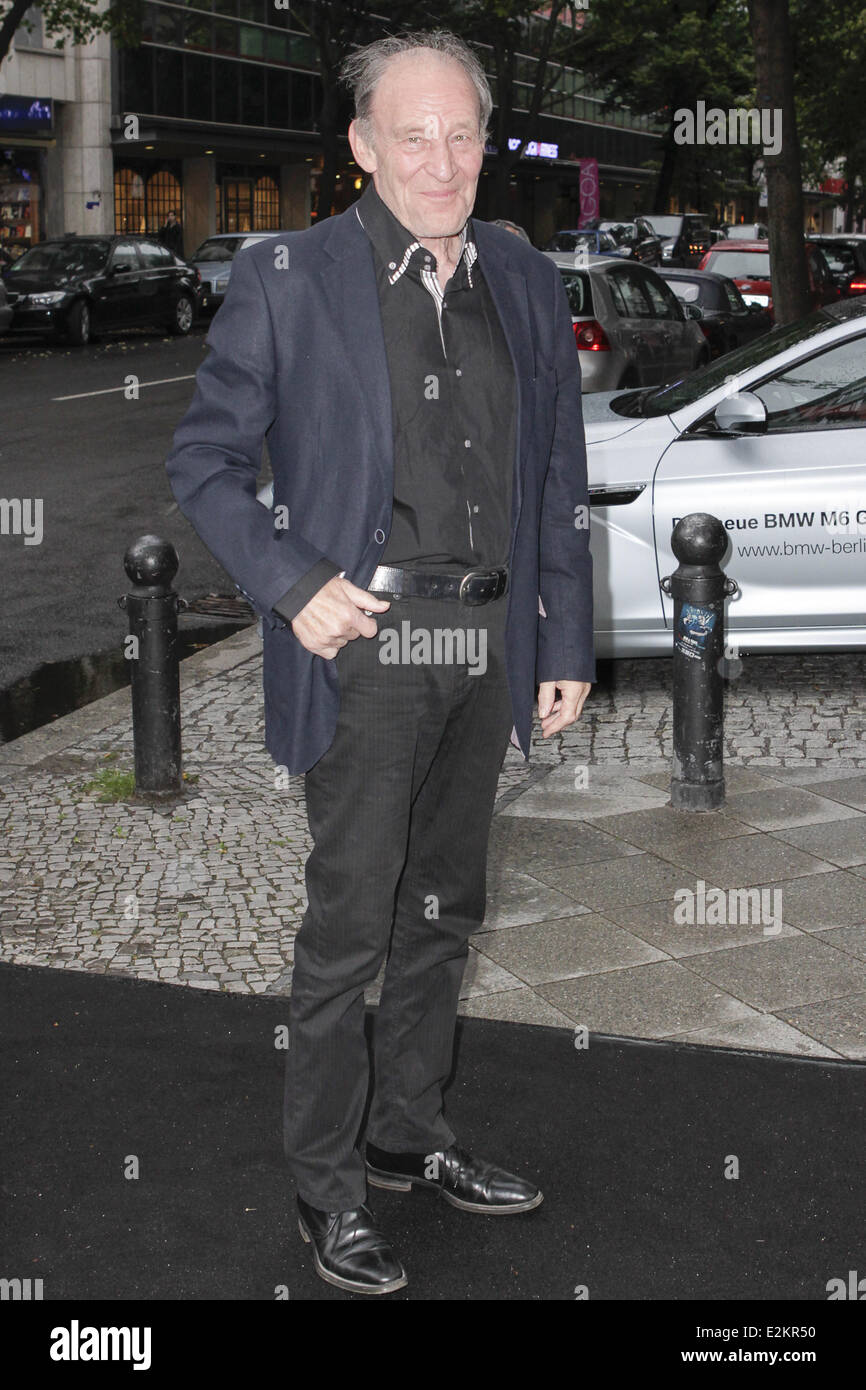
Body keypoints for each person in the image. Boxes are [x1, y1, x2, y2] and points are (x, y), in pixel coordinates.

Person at [165, 28, 594, 1296]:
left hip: (485, 635)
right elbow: (202, 461)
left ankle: (412, 1135)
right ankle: (327, 1186)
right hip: (365, 638)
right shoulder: (290, 273)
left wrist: (559, 635)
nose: (441, 157)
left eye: (461, 131)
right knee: (349, 928)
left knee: (443, 909)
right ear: (361, 147)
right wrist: (292, 584)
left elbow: (555, 475)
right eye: (412, 133)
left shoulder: (518, 272)